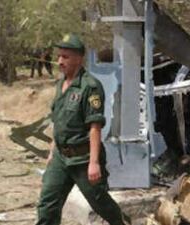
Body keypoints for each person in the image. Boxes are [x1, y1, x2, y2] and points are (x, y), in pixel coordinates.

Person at [36, 34, 125, 225]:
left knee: (99, 202)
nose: (60, 61)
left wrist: (94, 163)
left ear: (79, 58)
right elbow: (59, 120)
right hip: (61, 157)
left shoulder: (90, 87)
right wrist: (53, 150)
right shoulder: (61, 84)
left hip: (83, 158)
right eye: (59, 56)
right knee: (47, 204)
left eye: (65, 57)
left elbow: (94, 127)